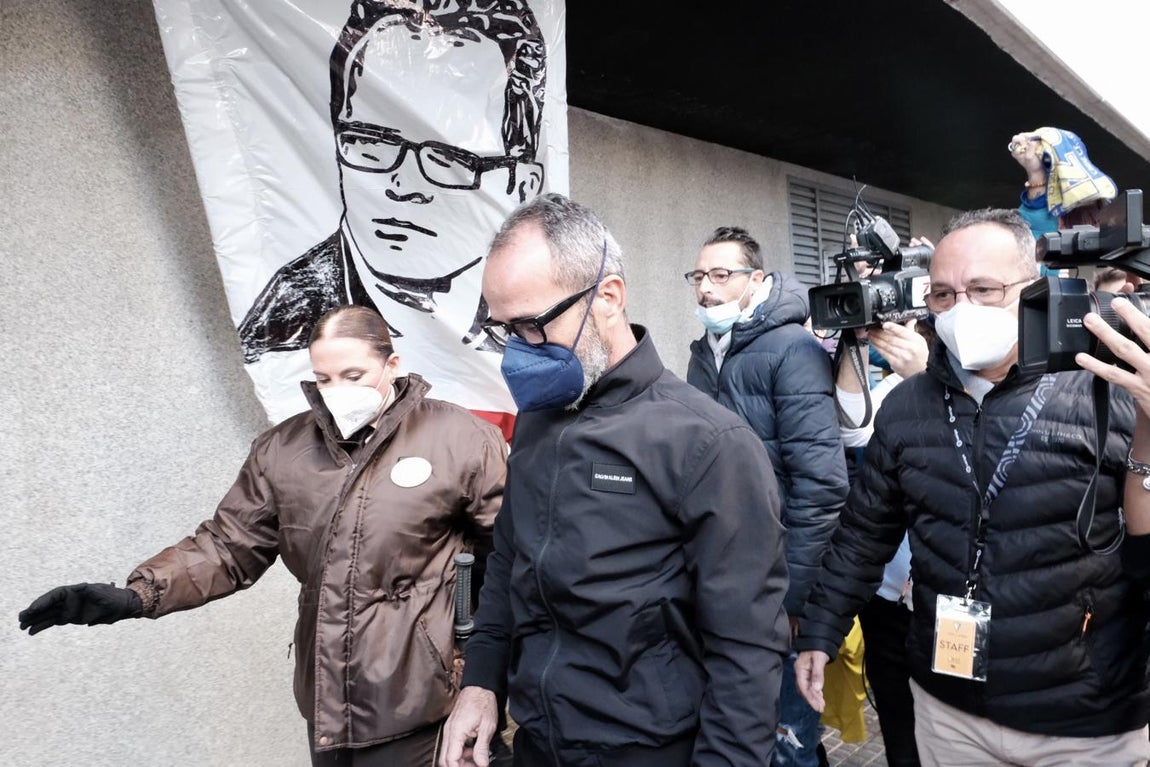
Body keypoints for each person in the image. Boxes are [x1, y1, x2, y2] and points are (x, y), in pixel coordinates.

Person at [18, 305, 508, 765]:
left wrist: (488, 676)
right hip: (328, 700)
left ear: (392, 363)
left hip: (425, 700)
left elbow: (512, 559)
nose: (337, 389)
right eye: (323, 377)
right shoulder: (283, 448)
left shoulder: (460, 438)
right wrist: (136, 596)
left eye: (353, 376)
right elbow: (228, 546)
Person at [439, 194, 791, 767]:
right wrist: (482, 682)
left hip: (649, 750)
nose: (517, 352)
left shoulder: (708, 444)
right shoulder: (537, 420)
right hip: (538, 741)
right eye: (504, 330)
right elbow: (508, 560)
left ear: (607, 297)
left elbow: (747, 651)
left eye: (531, 325)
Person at [795, 208, 1150, 765]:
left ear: (1035, 288)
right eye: (942, 294)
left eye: (984, 288)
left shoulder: (1112, 392)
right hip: (948, 709)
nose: (961, 308)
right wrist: (820, 630)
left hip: (1082, 723)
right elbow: (864, 533)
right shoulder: (907, 405)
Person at [238, 0, 548, 426]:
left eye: (448, 160)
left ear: (523, 187)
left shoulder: (545, 323)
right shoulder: (281, 327)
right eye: (371, 144)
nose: (401, 186)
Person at [685, 226, 848, 766]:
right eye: (699, 276)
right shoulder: (704, 353)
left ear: (756, 279)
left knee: (787, 737)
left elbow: (820, 485)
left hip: (780, 585)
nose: (707, 288)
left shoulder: (793, 348)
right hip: (724, 576)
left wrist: (795, 597)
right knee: (741, 728)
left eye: (721, 274)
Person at [835, 318, 932, 767]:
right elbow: (855, 429)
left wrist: (926, 377)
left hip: (949, 600)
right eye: (941, 295)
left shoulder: (1002, 381)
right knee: (899, 726)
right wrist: (854, 342)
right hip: (888, 596)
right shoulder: (898, 385)